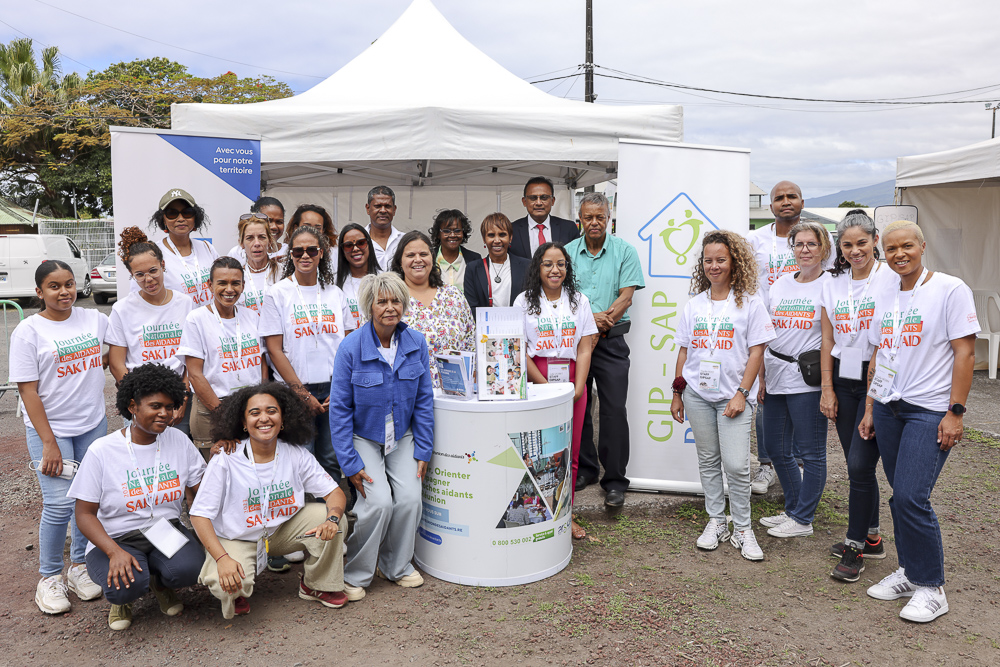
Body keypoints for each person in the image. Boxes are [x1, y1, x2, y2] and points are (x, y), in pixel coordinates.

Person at [859, 220, 978, 623]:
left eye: (906, 246)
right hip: (890, 407)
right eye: (891, 249)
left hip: (929, 409)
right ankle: (910, 573)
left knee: (912, 496)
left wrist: (955, 413)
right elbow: (880, 352)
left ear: (922, 246)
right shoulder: (885, 290)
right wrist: (872, 405)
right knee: (899, 494)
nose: (899, 255)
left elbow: (965, 354)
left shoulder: (949, 288)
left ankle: (931, 587)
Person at [191, 383, 349, 618]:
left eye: (272, 411)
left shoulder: (295, 453)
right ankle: (236, 586)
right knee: (228, 587)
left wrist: (332, 518)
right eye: (254, 413)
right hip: (239, 537)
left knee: (333, 520)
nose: (264, 418)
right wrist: (222, 559)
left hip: (281, 531)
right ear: (243, 423)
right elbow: (199, 515)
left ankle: (315, 584)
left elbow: (334, 493)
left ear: (283, 419)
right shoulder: (227, 457)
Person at [68, 363, 205, 631]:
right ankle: (123, 600)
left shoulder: (178, 440)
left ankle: (160, 583)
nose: (165, 413)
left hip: (164, 530)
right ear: (132, 406)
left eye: (170, 406)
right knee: (124, 585)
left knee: (190, 568)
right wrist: (113, 551)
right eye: (155, 406)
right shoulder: (102, 451)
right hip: (116, 537)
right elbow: (83, 514)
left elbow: (201, 494)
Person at [9, 260, 109, 615]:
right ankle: (49, 577)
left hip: (92, 424)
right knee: (59, 503)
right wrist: (48, 442)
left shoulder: (95, 319)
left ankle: (79, 567)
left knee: (88, 499)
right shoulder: (27, 331)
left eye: (68, 284)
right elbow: (28, 391)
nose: (64, 291)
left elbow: (112, 355)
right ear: (39, 292)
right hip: (50, 430)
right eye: (54, 286)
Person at [669, 231, 774, 561]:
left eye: (721, 260)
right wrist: (677, 393)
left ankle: (743, 527)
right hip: (697, 395)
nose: (714, 266)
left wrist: (742, 393)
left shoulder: (750, 303)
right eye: (708, 260)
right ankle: (717, 520)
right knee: (709, 461)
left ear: (735, 262)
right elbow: (684, 352)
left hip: (734, 397)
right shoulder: (694, 305)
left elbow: (757, 353)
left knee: (736, 465)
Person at [329, 272, 434, 600]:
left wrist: (424, 450)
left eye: (396, 301)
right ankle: (357, 573)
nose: (390, 308)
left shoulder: (417, 343)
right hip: (364, 438)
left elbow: (425, 402)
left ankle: (396, 566)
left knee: (409, 499)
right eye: (382, 301)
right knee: (377, 503)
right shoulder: (350, 347)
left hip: (402, 437)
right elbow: (340, 410)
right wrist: (349, 462)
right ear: (369, 307)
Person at [819, 211, 893, 581]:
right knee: (856, 465)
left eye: (861, 242)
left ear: (875, 240)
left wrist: (871, 399)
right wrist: (828, 389)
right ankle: (874, 537)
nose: (855, 250)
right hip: (844, 380)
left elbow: (887, 341)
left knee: (860, 466)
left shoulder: (891, 280)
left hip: (879, 381)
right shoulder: (833, 283)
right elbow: (827, 339)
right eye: (847, 245)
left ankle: (855, 547)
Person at [514, 242, 597, 540]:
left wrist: (579, 387)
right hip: (537, 381)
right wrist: (545, 387)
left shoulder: (579, 301)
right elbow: (520, 349)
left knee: (570, 453)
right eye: (548, 264)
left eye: (560, 264)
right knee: (541, 453)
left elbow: (585, 346)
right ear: (538, 267)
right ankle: (538, 514)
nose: (555, 269)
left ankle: (566, 514)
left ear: (567, 268)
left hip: (574, 381)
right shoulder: (524, 301)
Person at [566, 193, 644, 508]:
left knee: (613, 410)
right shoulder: (568, 252)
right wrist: (589, 324)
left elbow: (626, 296)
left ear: (609, 218)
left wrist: (598, 326)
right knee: (579, 407)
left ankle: (615, 480)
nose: (594, 222)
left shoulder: (625, 251)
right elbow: (564, 294)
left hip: (611, 342)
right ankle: (586, 469)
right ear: (579, 220)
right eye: (588, 217)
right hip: (574, 343)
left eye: (600, 217)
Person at [260, 225, 354, 481]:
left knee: (331, 460)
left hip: (334, 390)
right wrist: (302, 394)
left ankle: (332, 517)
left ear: (321, 253)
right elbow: (274, 350)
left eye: (311, 250)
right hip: (293, 391)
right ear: (290, 255)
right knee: (300, 460)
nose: (305, 255)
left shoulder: (335, 294)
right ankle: (306, 518)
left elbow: (348, 347)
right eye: (298, 251)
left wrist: (340, 390)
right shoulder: (277, 294)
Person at [759, 221, 831, 539]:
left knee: (812, 452)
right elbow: (767, 330)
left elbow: (830, 341)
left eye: (811, 244)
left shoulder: (830, 286)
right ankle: (793, 508)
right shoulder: (781, 283)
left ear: (824, 249)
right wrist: (761, 376)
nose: (804, 250)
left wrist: (828, 387)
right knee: (776, 447)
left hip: (807, 380)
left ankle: (803, 519)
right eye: (799, 244)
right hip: (775, 374)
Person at [178, 257, 266, 459]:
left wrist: (259, 399)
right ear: (209, 285)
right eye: (222, 283)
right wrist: (225, 415)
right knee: (217, 476)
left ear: (243, 285)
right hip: (212, 411)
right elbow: (195, 375)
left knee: (249, 470)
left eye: (235, 283)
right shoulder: (197, 319)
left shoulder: (252, 316)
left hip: (250, 406)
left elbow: (261, 362)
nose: (229, 289)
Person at [108, 227, 193, 434]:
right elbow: (117, 363)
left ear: (163, 265)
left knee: (178, 459)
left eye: (153, 271)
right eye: (140, 274)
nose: (148, 279)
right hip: (141, 402)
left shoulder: (185, 303)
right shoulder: (122, 309)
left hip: (178, 400)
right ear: (131, 275)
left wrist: (182, 395)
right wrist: (139, 402)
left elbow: (193, 356)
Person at [392, 230, 474, 386]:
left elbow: (471, 343)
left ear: (432, 257)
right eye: (410, 255)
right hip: (408, 396)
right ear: (399, 262)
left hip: (454, 395)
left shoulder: (453, 295)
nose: (418, 260)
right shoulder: (390, 299)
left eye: (424, 254)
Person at [144, 188, 219, 307]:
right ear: (163, 219)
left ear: (195, 217)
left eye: (187, 212)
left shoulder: (207, 248)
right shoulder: (153, 254)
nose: (180, 219)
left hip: (210, 322)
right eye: (172, 213)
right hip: (177, 324)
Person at [464, 213, 531, 316]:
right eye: (491, 235)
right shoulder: (473, 269)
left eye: (502, 234)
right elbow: (471, 308)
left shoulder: (526, 266)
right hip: (484, 329)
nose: (497, 240)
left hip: (518, 329)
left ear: (510, 238)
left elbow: (530, 304)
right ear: (484, 239)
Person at [509, 177, 580, 259]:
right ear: (524, 201)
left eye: (544, 197)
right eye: (533, 198)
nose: (538, 203)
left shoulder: (568, 228)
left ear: (552, 201)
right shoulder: (512, 230)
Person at [336, 222, 381, 331]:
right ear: (342, 251)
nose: (355, 249)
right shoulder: (333, 283)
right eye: (348, 245)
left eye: (361, 243)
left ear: (369, 245)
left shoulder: (384, 279)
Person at [234, 214, 280, 313]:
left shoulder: (283, 273)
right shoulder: (235, 276)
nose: (256, 243)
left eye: (262, 237)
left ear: (270, 241)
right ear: (241, 243)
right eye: (249, 238)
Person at [429, 209, 481, 294]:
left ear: (463, 232)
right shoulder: (428, 258)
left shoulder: (475, 259)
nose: (452, 235)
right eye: (446, 231)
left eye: (457, 231)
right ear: (438, 234)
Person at [227, 195, 287, 261]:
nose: (274, 227)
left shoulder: (288, 251)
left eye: (279, 222)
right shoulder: (236, 253)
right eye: (269, 221)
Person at [365, 186, 404, 271]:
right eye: (378, 206)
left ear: (394, 209)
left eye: (387, 206)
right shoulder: (359, 241)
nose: (383, 210)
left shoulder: (404, 241)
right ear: (368, 209)